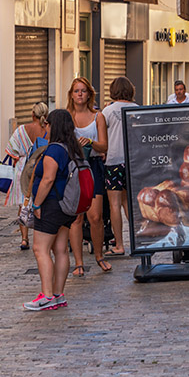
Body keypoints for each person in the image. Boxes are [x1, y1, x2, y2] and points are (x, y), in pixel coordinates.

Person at [24, 109, 82, 311]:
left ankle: (47, 295)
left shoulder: (54, 149)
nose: (45, 126)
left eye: (47, 124)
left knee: (40, 249)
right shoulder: (72, 147)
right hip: (66, 206)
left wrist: (36, 204)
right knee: (61, 249)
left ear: (53, 126)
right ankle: (58, 294)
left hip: (51, 204)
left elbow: (48, 179)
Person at [65, 78, 112, 274]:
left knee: (96, 216)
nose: (80, 94)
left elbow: (104, 146)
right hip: (73, 167)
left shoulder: (98, 117)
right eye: (76, 91)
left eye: (83, 91)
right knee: (76, 218)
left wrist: (90, 142)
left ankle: (99, 256)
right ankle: (78, 263)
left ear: (89, 93)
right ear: (72, 94)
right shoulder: (67, 117)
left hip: (93, 165)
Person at [4, 102, 49, 250]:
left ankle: (24, 239)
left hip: (23, 168)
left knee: (24, 204)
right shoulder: (49, 130)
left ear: (32, 114)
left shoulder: (22, 130)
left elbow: (11, 151)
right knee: (41, 203)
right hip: (43, 166)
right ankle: (39, 237)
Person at [101, 77, 138, 257]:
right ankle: (137, 241)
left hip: (114, 161)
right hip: (132, 161)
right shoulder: (137, 110)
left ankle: (120, 245)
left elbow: (101, 136)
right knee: (129, 203)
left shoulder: (107, 111)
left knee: (114, 204)